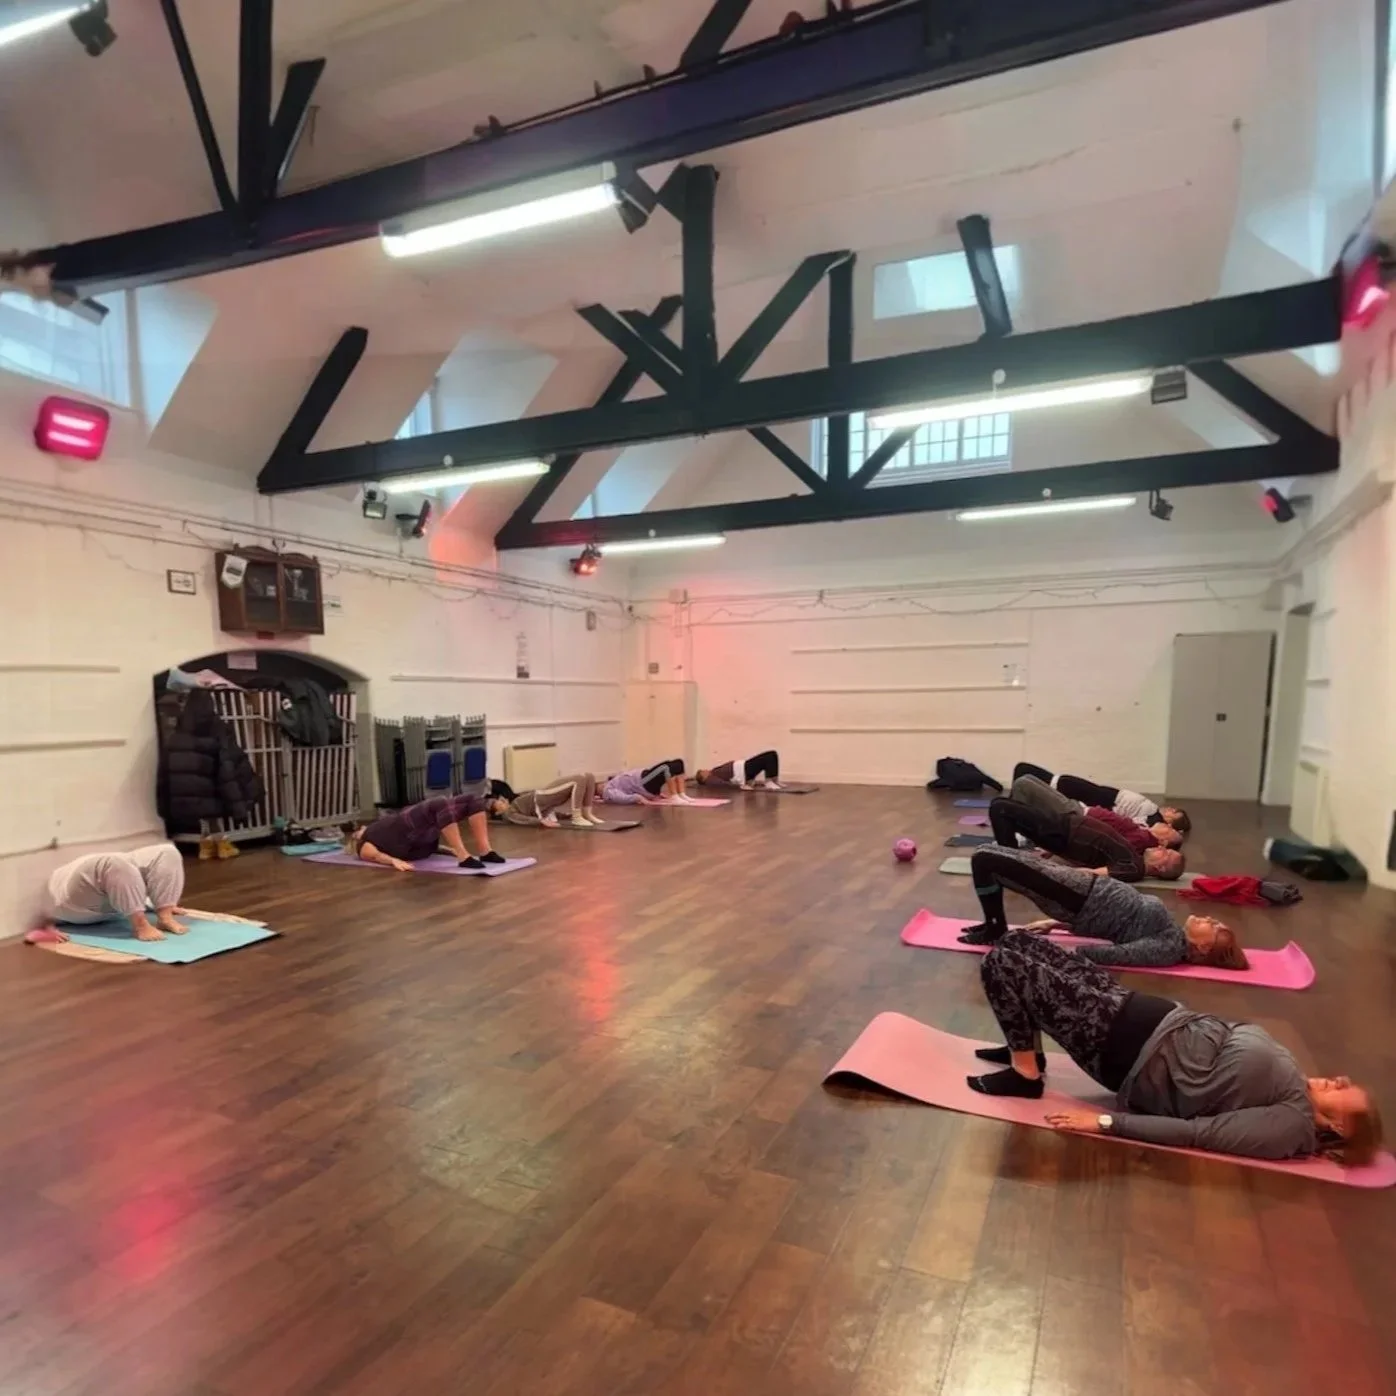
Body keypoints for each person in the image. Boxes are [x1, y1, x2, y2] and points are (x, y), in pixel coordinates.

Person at [963, 931, 1382, 1166]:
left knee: (1001, 965)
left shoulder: (1289, 1127)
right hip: (1142, 1015)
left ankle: (1025, 1075)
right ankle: (1028, 1050)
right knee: (1020, 943)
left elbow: (1199, 1134)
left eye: (1345, 1092)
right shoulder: (1295, 1085)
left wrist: (1107, 1123)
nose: (1340, 1080)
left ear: (1340, 1127)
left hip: (1124, 1053)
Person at [957, 844, 1248, 969]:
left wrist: (1051, 952)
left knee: (984, 860)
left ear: (1205, 948)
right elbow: (1120, 926)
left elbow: (1117, 954)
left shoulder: (1167, 949)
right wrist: (1054, 926)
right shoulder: (1172, 935)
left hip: (1077, 899)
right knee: (987, 855)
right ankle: (992, 924)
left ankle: (995, 928)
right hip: (1082, 891)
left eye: (1216, 928)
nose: (1212, 919)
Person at [988, 783, 1186, 883]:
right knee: (1002, 808)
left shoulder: (1134, 869)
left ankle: (1010, 868)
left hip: (1065, 834)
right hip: (1068, 826)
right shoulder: (1135, 856)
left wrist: (1044, 872)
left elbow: (1089, 874)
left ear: (1160, 868)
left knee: (1001, 808)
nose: (1161, 848)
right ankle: (1010, 863)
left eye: (1166, 853)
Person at [45, 844, 189, 943]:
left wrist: (163, 901)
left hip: (97, 880)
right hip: (74, 903)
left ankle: (165, 914)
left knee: (167, 852)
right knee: (113, 864)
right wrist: (43, 928)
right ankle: (140, 925)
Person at [1013, 762, 1190, 835]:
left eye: (1173, 814)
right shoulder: (1152, 813)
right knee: (1025, 773)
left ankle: (1015, 818)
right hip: (1098, 794)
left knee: (1026, 773)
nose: (1170, 809)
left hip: (1096, 798)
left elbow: (1128, 824)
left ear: (1170, 824)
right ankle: (1014, 813)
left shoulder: (1153, 819)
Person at [347, 794, 503, 871]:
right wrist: (392, 861)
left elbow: (434, 847)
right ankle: (464, 857)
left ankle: (485, 851)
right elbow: (373, 855)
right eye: (357, 832)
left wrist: (449, 850)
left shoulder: (376, 830)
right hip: (405, 832)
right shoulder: (365, 842)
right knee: (440, 803)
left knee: (474, 799)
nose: (360, 829)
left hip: (421, 836)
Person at [488, 774, 606, 828]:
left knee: (589, 777)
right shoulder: (509, 813)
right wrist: (541, 822)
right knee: (578, 780)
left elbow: (550, 812)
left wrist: (565, 816)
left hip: (543, 798)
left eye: (502, 801)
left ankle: (587, 814)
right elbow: (524, 820)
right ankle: (577, 817)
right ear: (498, 812)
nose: (503, 801)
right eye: (499, 804)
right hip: (540, 798)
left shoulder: (512, 805)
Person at [603, 759, 691, 805]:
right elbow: (624, 798)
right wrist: (640, 799)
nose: (600, 784)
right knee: (665, 768)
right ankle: (674, 796)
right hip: (642, 782)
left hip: (644, 777)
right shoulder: (607, 792)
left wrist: (657, 795)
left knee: (678, 763)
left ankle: (682, 794)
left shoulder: (611, 783)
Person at [695, 751, 782, 789]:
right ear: (703, 777)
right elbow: (723, 784)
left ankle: (774, 780)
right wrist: (741, 785)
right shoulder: (710, 779)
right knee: (770, 755)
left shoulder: (713, 772)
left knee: (772, 755)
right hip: (742, 771)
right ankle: (769, 782)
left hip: (743, 767)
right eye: (703, 772)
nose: (705, 770)